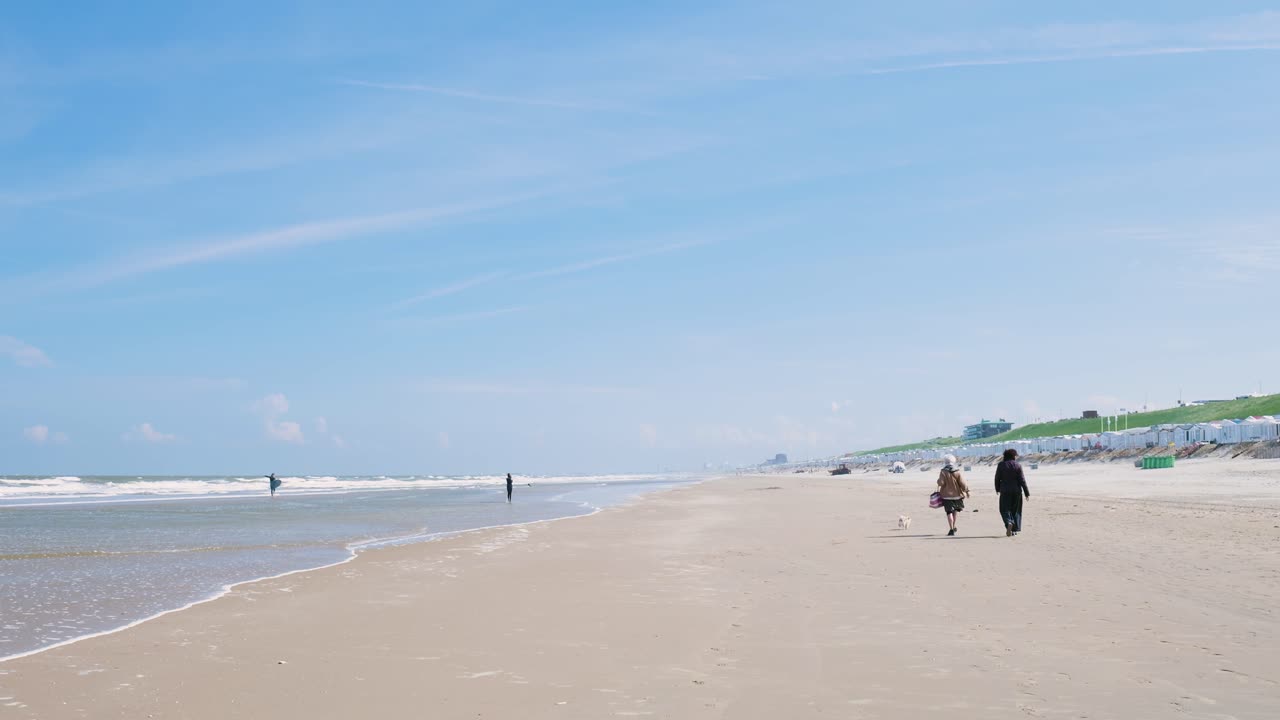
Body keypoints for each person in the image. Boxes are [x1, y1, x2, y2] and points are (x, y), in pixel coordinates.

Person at [994, 449, 1031, 536]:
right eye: (1015, 456)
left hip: (1005, 491)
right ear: (1012, 456)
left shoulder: (1001, 465)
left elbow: (997, 478)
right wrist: (1026, 493)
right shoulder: (1017, 465)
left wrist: (997, 488)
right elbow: (1022, 480)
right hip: (1017, 491)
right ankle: (1014, 530)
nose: (1015, 457)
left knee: (1004, 509)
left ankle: (1009, 522)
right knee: (1016, 511)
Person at [936, 455, 970, 536]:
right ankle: (954, 526)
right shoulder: (957, 471)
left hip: (946, 496)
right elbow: (963, 483)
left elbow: (941, 483)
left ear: (945, 462)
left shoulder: (943, 471)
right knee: (955, 511)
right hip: (957, 495)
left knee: (949, 512)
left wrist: (938, 481)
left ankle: (951, 529)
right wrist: (967, 491)